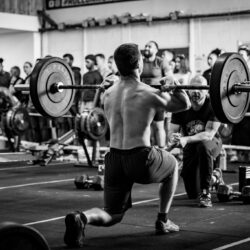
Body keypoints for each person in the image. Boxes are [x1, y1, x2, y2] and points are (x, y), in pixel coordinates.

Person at [63, 43, 191, 248]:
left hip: (114, 158)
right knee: (173, 165)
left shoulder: (108, 93)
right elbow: (185, 105)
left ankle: (82, 218)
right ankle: (163, 220)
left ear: (118, 66)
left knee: (113, 214)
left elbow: (100, 102)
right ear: (139, 63)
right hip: (140, 158)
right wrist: (175, 84)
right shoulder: (149, 93)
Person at [169, 75, 223, 207]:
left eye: (200, 89)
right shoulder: (181, 106)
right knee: (192, 192)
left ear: (207, 91)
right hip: (190, 146)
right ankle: (215, 177)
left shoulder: (214, 105)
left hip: (212, 144)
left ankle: (206, 193)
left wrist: (185, 139)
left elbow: (209, 134)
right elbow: (172, 131)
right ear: (188, 90)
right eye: (193, 88)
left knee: (203, 146)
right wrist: (174, 137)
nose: (196, 92)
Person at [140, 41, 166, 148]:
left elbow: (169, 77)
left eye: (149, 46)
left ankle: (162, 150)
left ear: (156, 50)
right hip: (143, 99)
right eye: (145, 46)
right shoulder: (140, 62)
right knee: (145, 126)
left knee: (158, 126)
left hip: (157, 98)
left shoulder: (160, 62)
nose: (146, 48)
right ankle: (146, 151)